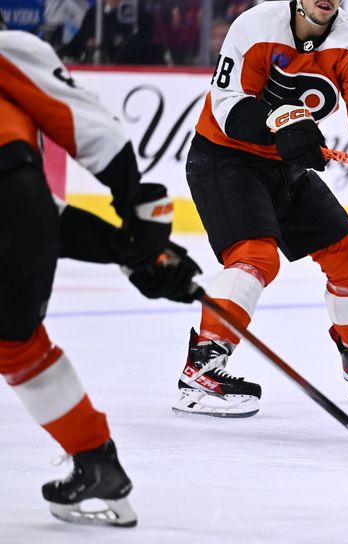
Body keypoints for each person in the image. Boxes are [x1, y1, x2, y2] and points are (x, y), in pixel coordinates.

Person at [174, 0, 348, 417]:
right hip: (224, 159)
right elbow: (228, 104)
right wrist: (283, 120)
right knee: (254, 257)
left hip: (283, 168)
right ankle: (202, 370)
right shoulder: (255, 25)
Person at [0, 23, 200, 526]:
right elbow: (81, 139)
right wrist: (135, 244)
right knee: (17, 343)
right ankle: (96, 464)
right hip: (17, 201)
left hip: (14, 201)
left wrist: (135, 237)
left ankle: (96, 462)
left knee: (16, 343)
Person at [59, 0, 164, 64]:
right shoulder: (93, 14)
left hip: (121, 79)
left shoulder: (140, 17)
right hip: (90, 78)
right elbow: (76, 45)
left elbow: (136, 53)